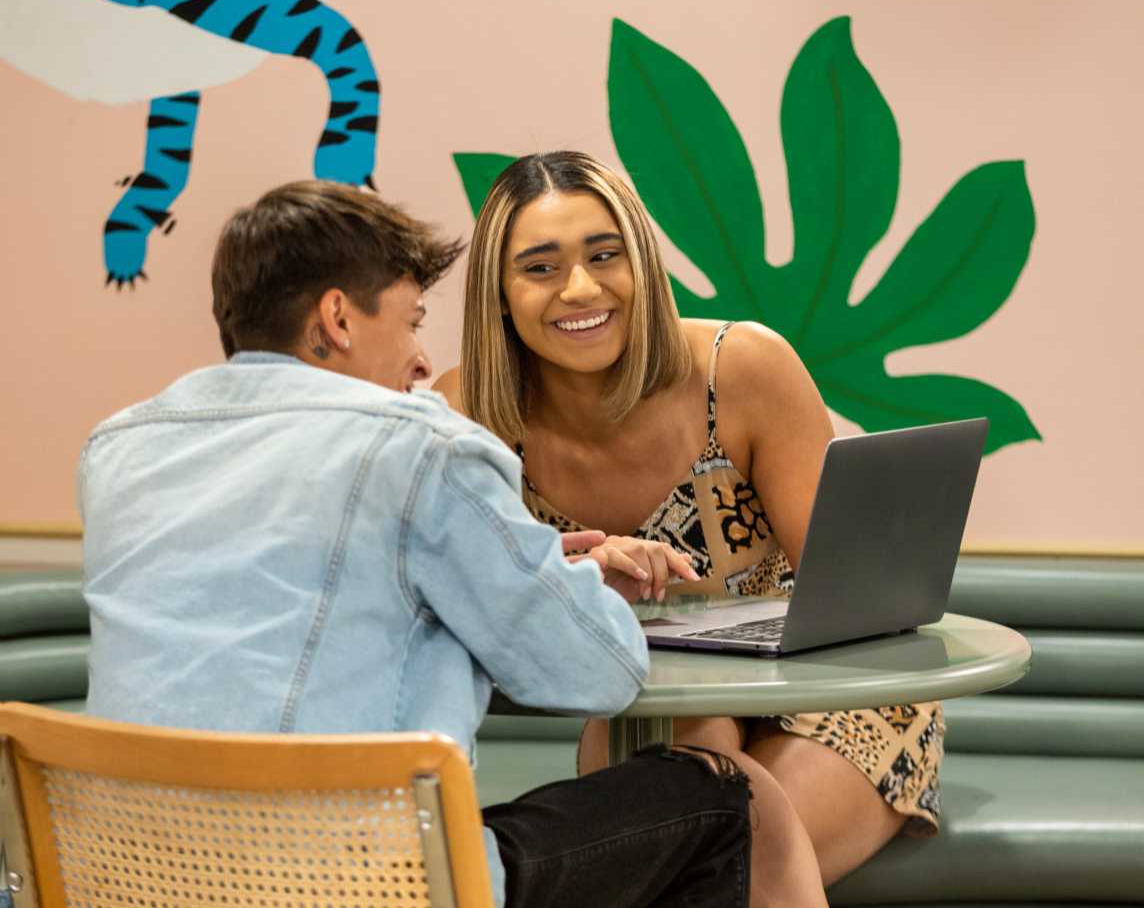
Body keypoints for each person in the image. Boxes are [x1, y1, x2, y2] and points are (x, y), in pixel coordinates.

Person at [78, 180, 828, 907]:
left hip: (113, 872)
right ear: (337, 319)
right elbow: (596, 672)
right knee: (731, 799)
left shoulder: (119, 448)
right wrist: (552, 584)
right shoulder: (422, 446)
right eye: (408, 323)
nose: (417, 362)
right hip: (347, 881)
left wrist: (520, 571)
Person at [436, 151, 946, 886]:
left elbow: (859, 602)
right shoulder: (465, 416)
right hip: (648, 701)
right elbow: (460, 616)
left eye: (605, 255)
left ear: (642, 265)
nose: (581, 288)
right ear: (500, 295)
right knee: (687, 838)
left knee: (713, 861)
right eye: (541, 268)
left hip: (829, 698)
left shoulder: (744, 370)